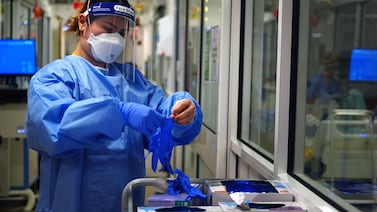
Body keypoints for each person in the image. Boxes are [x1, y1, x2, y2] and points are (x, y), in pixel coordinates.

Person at [26, 0, 203, 211]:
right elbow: (54, 129)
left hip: (126, 201)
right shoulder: (53, 77)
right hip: (72, 202)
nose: (114, 39)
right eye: (108, 29)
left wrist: (184, 111)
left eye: (121, 32)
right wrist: (117, 112)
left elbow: (164, 119)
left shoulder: (132, 81)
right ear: (83, 22)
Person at [307, 52, 343, 119]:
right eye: (327, 67)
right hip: (316, 116)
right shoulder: (315, 82)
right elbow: (308, 102)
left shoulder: (335, 84)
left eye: (334, 67)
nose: (331, 70)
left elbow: (340, 102)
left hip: (332, 117)